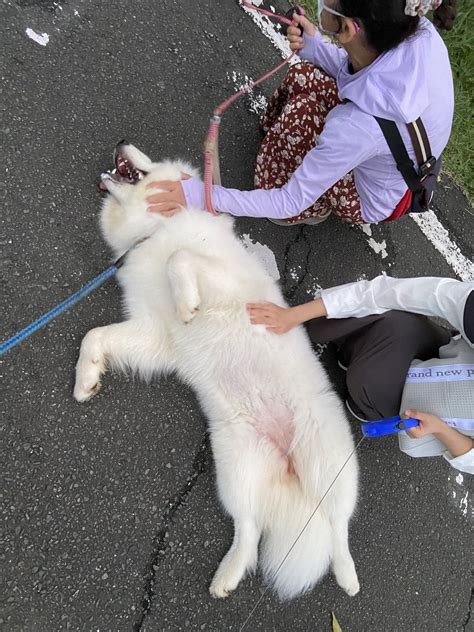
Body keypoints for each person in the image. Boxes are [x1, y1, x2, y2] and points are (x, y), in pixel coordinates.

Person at [146, 0, 456, 225]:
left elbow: (287, 200)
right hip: (394, 150)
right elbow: (365, 74)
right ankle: (314, 171)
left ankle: (314, 209)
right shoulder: (415, 31)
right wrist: (315, 47)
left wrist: (202, 196)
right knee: (303, 76)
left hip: (375, 199)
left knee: (299, 119)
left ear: (348, 28)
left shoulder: (355, 129)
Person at [247, 275, 474, 474]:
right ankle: (358, 349)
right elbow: (387, 292)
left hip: (438, 413)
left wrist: (441, 430)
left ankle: (369, 401)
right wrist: (294, 315)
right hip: (441, 354)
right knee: (324, 322)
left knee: (367, 383)